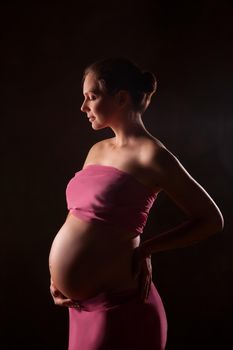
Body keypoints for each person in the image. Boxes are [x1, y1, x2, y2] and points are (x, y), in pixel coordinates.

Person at [48, 57, 224, 350]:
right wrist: (59, 279)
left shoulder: (152, 156)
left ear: (120, 98)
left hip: (120, 307)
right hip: (79, 309)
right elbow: (80, 220)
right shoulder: (97, 150)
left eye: (91, 97)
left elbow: (210, 219)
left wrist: (147, 248)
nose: (83, 108)